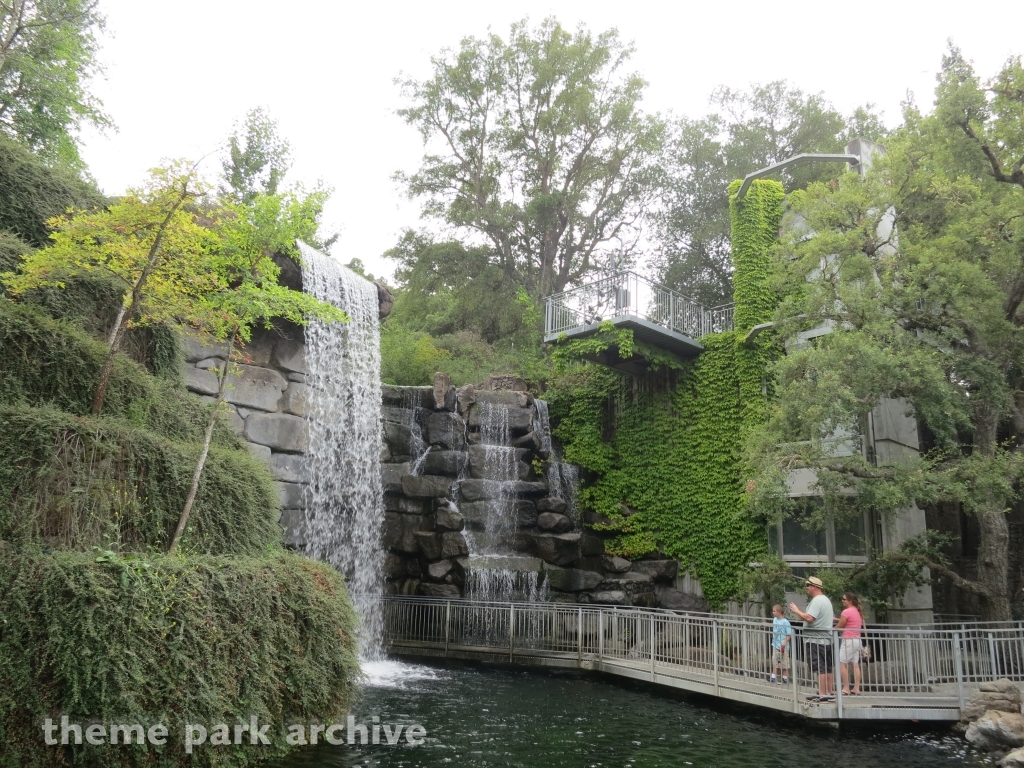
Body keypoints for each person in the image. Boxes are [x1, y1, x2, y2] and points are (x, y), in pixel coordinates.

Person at [789, 576, 835, 701]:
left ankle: (822, 693)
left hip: (816, 640)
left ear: (814, 587)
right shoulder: (826, 600)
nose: (807, 588)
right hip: (826, 639)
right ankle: (829, 692)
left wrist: (797, 611)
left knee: (820, 667)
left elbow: (809, 618)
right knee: (827, 666)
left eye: (808, 586)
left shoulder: (817, 601)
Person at [835, 592, 864, 695]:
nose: (842, 601)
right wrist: (837, 619)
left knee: (842, 664)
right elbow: (850, 621)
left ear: (850, 601)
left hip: (848, 640)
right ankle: (856, 688)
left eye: (844, 599)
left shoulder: (846, 612)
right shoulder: (857, 611)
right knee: (855, 665)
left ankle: (846, 688)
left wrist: (831, 630)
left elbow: (840, 625)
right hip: (857, 640)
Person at [770, 604, 793, 684]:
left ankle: (785, 678)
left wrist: (785, 642)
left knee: (784, 662)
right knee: (775, 660)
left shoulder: (785, 622)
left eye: (774, 611)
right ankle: (773, 677)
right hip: (775, 644)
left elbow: (789, 635)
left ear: (779, 612)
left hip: (783, 646)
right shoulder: (775, 620)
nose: (773, 613)